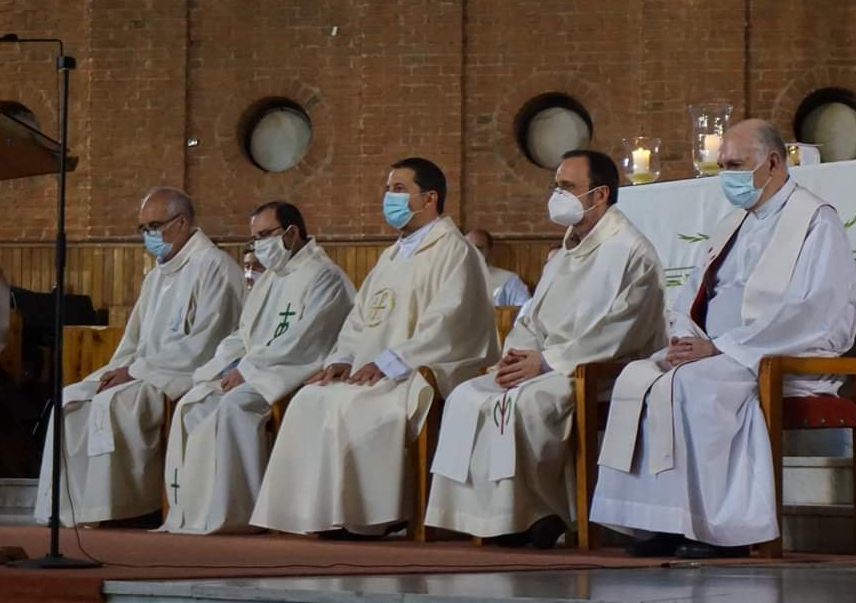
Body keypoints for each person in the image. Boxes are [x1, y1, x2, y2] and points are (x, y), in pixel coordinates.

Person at [592, 119, 856, 559]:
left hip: (772, 356)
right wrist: (685, 340)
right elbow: (692, 295)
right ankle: (660, 521)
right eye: (722, 166)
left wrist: (723, 347)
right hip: (714, 350)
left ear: (771, 163)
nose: (725, 177)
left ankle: (718, 530)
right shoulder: (732, 224)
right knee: (639, 378)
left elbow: (817, 311)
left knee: (694, 385)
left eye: (734, 165)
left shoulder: (815, 221)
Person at [426, 150, 667, 547]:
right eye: (556, 186)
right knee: (467, 396)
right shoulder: (566, 251)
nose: (557, 195)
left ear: (600, 194)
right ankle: (489, 517)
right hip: (545, 364)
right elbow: (531, 318)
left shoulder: (631, 251)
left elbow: (621, 330)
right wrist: (517, 357)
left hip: (598, 371)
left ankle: (538, 513)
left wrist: (547, 362)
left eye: (567, 187)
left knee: (527, 404)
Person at [250, 158, 499, 537]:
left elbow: (448, 325)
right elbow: (359, 319)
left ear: (430, 198)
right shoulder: (391, 255)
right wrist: (342, 358)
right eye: (388, 189)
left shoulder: (456, 251)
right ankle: (315, 513)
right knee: (309, 399)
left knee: (352, 406)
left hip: (416, 372)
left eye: (399, 189)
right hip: (372, 371)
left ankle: (368, 518)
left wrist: (390, 362)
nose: (389, 197)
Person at [35, 188, 243, 526]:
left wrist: (135, 372)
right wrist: (116, 370)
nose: (148, 236)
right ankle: (69, 508)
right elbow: (134, 340)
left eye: (154, 226)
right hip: (145, 370)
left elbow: (206, 343)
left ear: (182, 222)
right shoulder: (157, 276)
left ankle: (124, 509)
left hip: (182, 375)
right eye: (143, 228)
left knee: (112, 404)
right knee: (70, 400)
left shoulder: (215, 267)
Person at [159, 201, 355, 534]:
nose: (260, 245)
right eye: (255, 238)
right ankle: (196, 510)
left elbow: (305, 340)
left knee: (234, 406)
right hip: (259, 370)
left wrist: (247, 370)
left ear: (291, 233)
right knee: (193, 403)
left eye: (265, 235)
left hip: (292, 373)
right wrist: (221, 365)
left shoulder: (325, 276)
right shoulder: (272, 278)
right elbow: (244, 333)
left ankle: (242, 511)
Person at [466, 229, 532, 307]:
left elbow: (525, 309)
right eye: (468, 248)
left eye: (478, 248)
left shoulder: (509, 280)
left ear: (489, 251)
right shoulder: (455, 277)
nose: (472, 252)